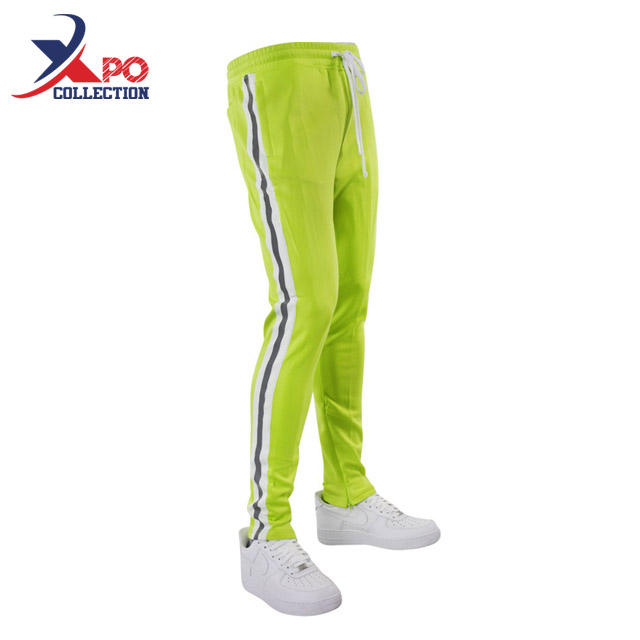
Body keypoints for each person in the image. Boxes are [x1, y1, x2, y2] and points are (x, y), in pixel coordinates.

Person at [227, 42, 440, 616]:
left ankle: (347, 492)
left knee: (348, 305)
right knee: (305, 305)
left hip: (348, 78)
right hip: (278, 81)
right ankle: (267, 530)